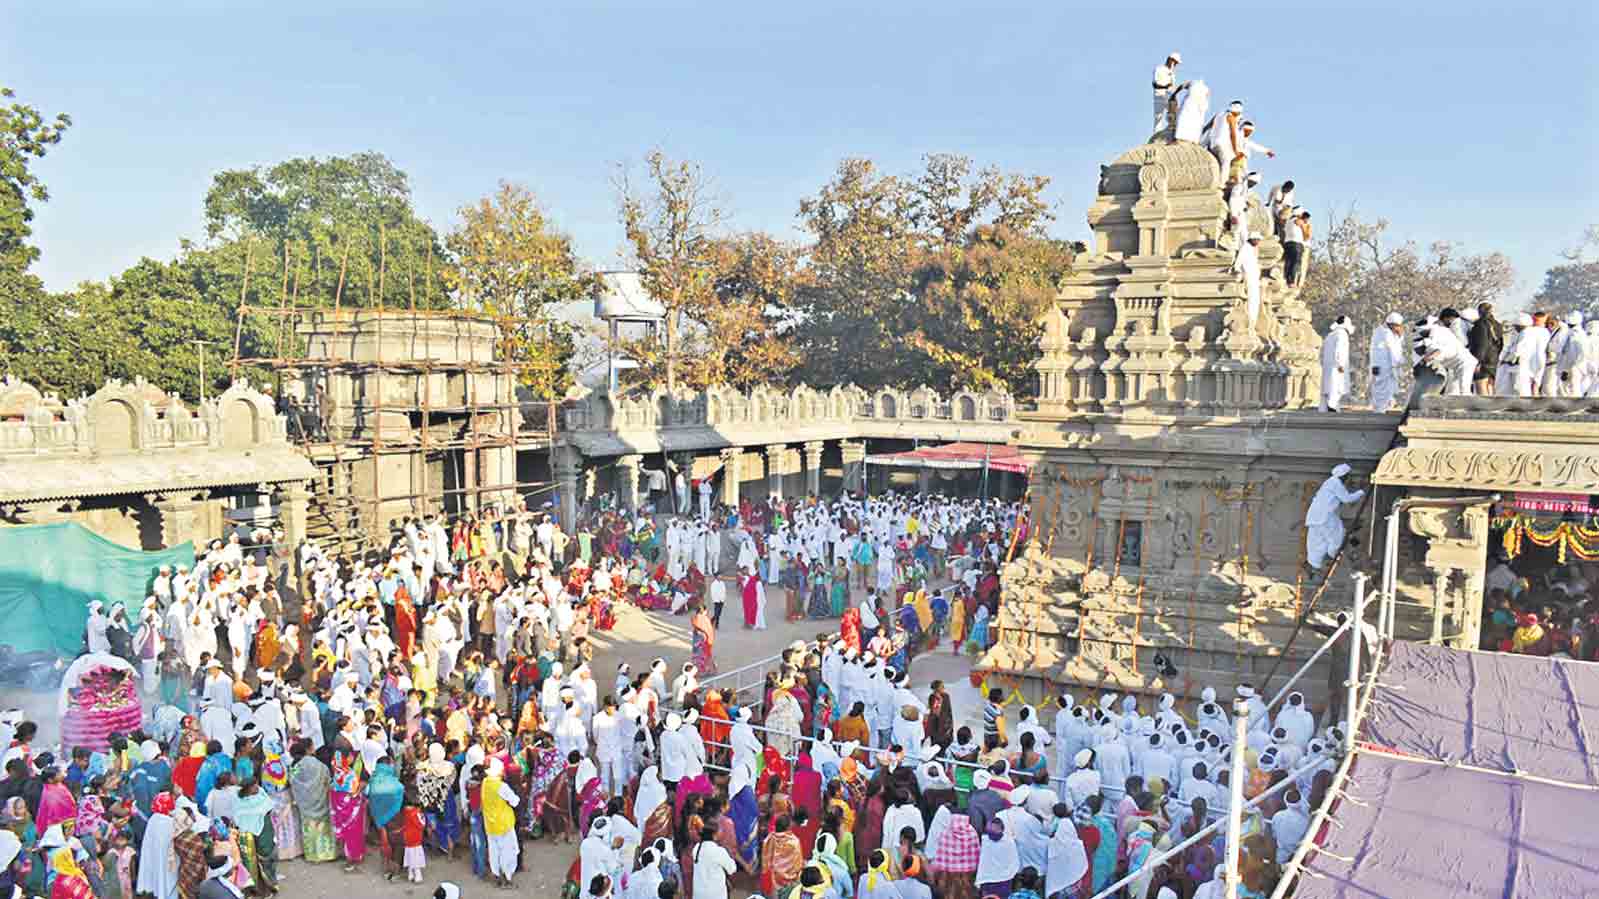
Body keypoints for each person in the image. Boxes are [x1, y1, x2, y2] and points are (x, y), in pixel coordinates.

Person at [1305, 464, 1365, 570]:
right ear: (1344, 475)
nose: (1349, 478)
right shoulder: (1336, 483)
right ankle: (1329, 558)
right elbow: (1347, 499)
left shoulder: (1329, 482)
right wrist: (1361, 492)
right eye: (1348, 476)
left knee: (1318, 542)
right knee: (1337, 536)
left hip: (1315, 517)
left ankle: (1314, 565)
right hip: (1324, 517)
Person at [1369, 313, 1406, 411]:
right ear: (1393, 325)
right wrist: (1375, 365)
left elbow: (1396, 346)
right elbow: (1391, 350)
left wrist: (1400, 336)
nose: (1399, 328)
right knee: (1381, 389)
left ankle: (1383, 409)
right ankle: (1379, 411)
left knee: (1388, 389)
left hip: (1387, 367)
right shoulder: (1384, 333)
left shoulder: (1386, 332)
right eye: (1398, 326)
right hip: (1382, 366)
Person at [1319, 316, 1354, 412]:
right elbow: (1339, 351)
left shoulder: (1330, 335)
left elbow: (1322, 352)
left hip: (1328, 367)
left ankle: (1327, 408)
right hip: (1337, 366)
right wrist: (1341, 364)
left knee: (1328, 388)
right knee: (1336, 387)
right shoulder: (1342, 334)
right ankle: (1332, 407)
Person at [1468, 302, 1504, 394]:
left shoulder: (1480, 324)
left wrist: (1477, 361)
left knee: (1481, 386)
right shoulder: (1498, 325)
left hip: (1483, 360)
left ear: (1479, 312)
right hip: (1493, 359)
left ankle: (1485, 407)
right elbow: (1501, 344)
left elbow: (1482, 344)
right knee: (1490, 386)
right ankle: (1492, 407)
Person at [1229, 232, 1262, 326]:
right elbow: (1239, 260)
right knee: (1252, 300)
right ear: (1252, 239)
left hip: (1255, 277)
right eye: (1257, 240)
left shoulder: (1252, 249)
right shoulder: (1246, 247)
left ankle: (1253, 321)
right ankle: (1250, 321)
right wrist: (1237, 270)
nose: (1258, 242)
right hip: (1249, 276)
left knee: (1256, 300)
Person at [1152, 52, 1186, 133]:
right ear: (1171, 60)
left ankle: (1172, 133)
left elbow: (1172, 87)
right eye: (1175, 62)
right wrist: (1166, 86)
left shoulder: (1171, 73)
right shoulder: (1159, 69)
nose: (1176, 65)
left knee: (1174, 114)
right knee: (1158, 117)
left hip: (1169, 96)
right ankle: (1156, 136)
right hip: (1159, 96)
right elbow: (1155, 84)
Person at [1283, 209, 1311, 287]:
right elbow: (1306, 236)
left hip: (1288, 243)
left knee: (1289, 262)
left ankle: (1287, 279)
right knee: (1295, 262)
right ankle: (1291, 281)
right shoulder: (1297, 220)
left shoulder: (1288, 221)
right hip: (1296, 244)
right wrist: (1306, 226)